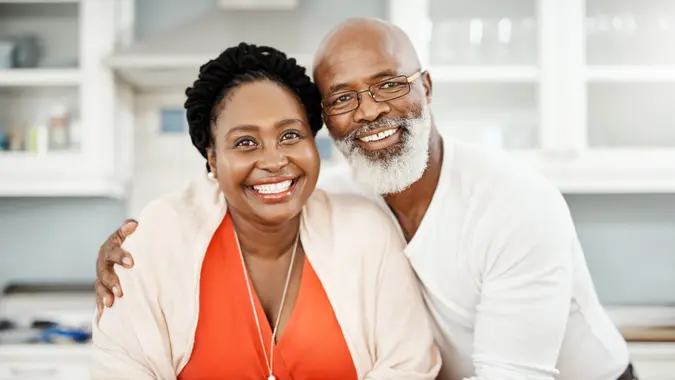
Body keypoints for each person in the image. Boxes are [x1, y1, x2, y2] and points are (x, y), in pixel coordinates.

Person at [95, 19, 638, 380]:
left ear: (427, 86)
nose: (371, 110)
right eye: (344, 97)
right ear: (329, 121)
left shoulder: (514, 206)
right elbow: (238, 197)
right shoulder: (340, 197)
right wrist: (129, 245)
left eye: (389, 85)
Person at [90, 42, 441, 380]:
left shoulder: (366, 233)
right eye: (245, 143)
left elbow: (408, 366)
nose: (274, 161)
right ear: (212, 158)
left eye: (290, 135)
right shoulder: (157, 240)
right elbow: (122, 368)